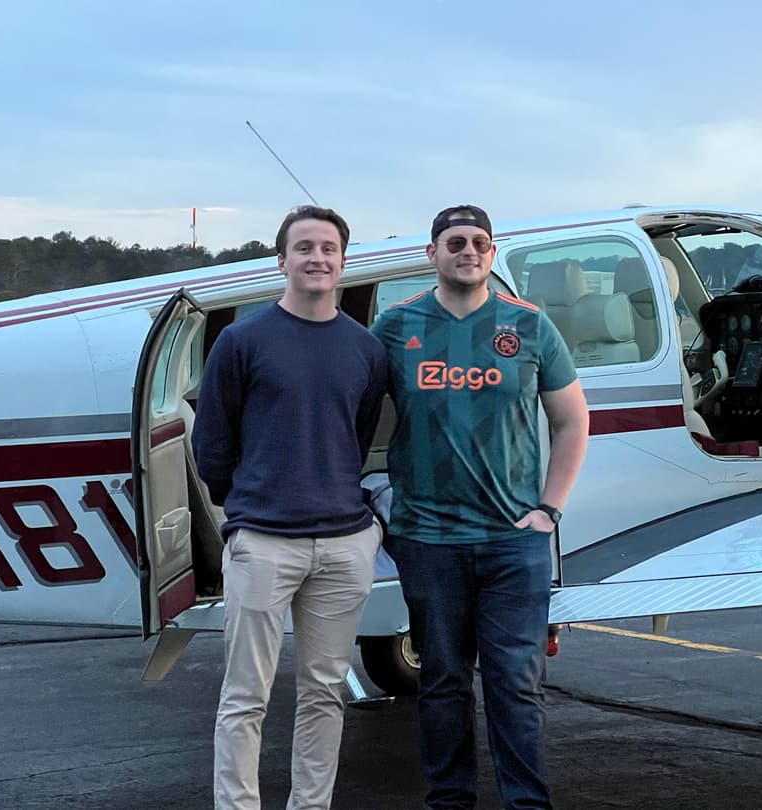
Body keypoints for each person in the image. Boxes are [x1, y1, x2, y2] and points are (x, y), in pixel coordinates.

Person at [371, 204, 590, 809]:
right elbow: (347, 410)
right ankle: (450, 801)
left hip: (512, 540)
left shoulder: (529, 325)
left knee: (516, 686)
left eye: (479, 242)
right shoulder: (396, 326)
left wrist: (549, 509)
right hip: (426, 539)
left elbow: (572, 421)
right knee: (441, 684)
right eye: (454, 241)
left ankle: (528, 803)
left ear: (492, 255)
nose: (468, 250)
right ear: (432, 253)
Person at [193, 205, 388, 810]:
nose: (317, 258)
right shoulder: (242, 340)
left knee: (324, 692)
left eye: (329, 249)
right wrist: (247, 510)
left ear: (342, 263)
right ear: (282, 261)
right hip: (263, 542)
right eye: (304, 247)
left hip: (343, 543)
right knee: (245, 695)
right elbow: (212, 443)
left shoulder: (365, 349)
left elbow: (355, 436)